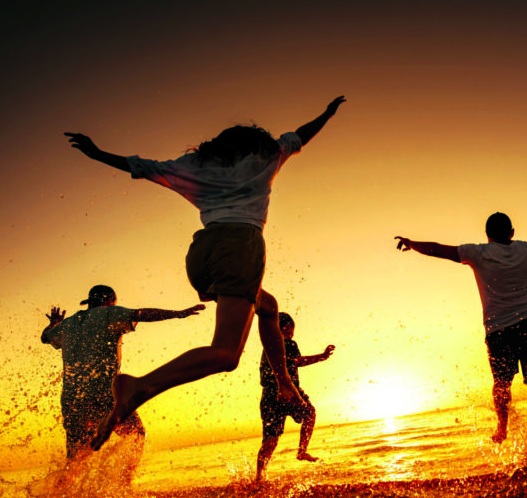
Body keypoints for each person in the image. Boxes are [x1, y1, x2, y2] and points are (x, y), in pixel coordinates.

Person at [64, 95, 346, 450]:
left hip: (202, 256)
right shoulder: (266, 155)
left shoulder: (193, 166)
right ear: (253, 140)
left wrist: (96, 153)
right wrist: (327, 113)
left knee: (268, 307)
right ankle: (138, 387)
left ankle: (284, 381)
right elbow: (301, 134)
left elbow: (141, 165)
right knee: (226, 355)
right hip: (240, 246)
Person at [395, 212, 527, 460]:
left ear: (487, 235)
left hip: (499, 332)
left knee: (501, 385)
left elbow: (437, 249)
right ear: (512, 232)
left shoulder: (477, 253)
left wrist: (411, 243)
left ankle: (502, 427)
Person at [41, 284, 204, 464]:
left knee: (75, 460)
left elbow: (45, 337)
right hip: (102, 393)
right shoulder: (109, 313)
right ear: (109, 301)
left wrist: (53, 324)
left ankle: (61, 491)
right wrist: (178, 314)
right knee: (136, 435)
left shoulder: (68, 324)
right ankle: (123, 487)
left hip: (72, 400)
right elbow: (140, 314)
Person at [256, 312, 335, 482]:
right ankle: (302, 451)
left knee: (270, 440)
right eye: (291, 330)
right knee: (310, 413)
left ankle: (259, 478)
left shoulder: (267, 348)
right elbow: (297, 362)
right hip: (288, 390)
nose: (292, 334)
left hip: (268, 396)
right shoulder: (288, 342)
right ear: (285, 328)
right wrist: (322, 357)